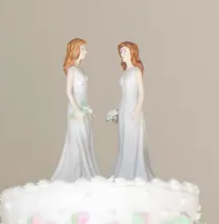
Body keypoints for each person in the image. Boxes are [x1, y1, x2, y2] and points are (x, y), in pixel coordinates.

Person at [51, 38, 101, 181]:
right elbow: (69, 92)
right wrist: (77, 109)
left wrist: (86, 109)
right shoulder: (72, 70)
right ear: (76, 50)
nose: (86, 52)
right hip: (75, 108)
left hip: (83, 106)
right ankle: (76, 172)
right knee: (77, 137)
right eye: (83, 49)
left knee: (85, 137)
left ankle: (83, 172)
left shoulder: (80, 69)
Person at [112, 41, 154, 180]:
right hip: (123, 108)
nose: (122, 54)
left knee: (132, 139)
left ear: (132, 52)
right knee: (124, 140)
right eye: (121, 52)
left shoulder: (136, 71)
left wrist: (137, 110)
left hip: (132, 108)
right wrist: (118, 112)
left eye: (124, 51)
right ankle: (124, 170)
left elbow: (141, 92)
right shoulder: (125, 72)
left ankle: (135, 172)